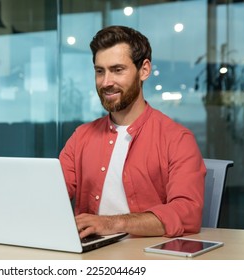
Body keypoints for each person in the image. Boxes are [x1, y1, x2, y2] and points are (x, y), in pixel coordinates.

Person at [59, 26, 206, 239]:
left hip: (147, 258)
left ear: (144, 70)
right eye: (100, 71)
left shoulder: (177, 139)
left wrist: (112, 223)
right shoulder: (81, 137)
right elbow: (50, 197)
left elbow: (187, 212)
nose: (106, 82)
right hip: (89, 255)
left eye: (118, 70)